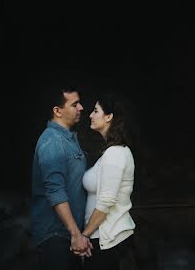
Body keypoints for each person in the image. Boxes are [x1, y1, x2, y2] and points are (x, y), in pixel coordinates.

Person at [30, 85, 92, 268]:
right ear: (57, 111)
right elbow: (55, 192)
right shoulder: (53, 143)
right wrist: (75, 234)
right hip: (55, 237)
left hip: (67, 236)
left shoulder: (68, 139)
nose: (81, 108)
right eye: (75, 104)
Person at [81, 93, 136, 269]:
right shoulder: (110, 152)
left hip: (109, 239)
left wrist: (84, 236)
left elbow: (106, 201)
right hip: (103, 238)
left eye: (96, 111)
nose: (90, 115)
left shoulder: (115, 153)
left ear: (109, 117)